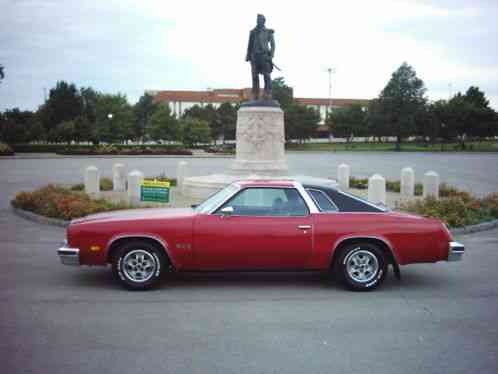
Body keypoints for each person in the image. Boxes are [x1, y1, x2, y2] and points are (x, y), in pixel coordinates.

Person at [246, 14, 275, 100]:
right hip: (254, 56)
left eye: (259, 20)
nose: (258, 21)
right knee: (254, 76)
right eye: (257, 20)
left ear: (263, 21)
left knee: (266, 75)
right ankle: (255, 93)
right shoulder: (253, 32)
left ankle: (267, 92)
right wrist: (248, 56)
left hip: (264, 56)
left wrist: (271, 55)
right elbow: (249, 45)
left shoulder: (268, 32)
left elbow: (273, 45)